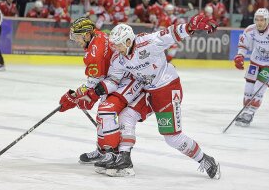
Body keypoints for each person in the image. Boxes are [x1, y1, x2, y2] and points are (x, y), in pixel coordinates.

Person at [74, 17, 221, 179]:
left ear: (129, 41)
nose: (115, 48)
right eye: (113, 44)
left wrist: (191, 26)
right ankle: (124, 159)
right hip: (148, 91)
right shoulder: (119, 57)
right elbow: (113, 80)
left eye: (118, 44)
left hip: (167, 89)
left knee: (172, 138)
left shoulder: (148, 42)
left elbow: (171, 33)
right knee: (126, 115)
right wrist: (97, 90)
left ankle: (205, 159)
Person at [58, 17, 143, 167]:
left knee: (105, 113)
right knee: (102, 116)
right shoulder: (100, 35)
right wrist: (80, 96)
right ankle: (103, 150)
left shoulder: (94, 54)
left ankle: (111, 153)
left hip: (122, 81)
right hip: (116, 77)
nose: (76, 40)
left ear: (87, 34)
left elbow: (94, 83)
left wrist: (75, 96)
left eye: (78, 36)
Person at [233, 8, 269, 126]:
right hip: (255, 61)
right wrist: (240, 56)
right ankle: (245, 110)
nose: (259, 22)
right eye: (257, 19)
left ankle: (250, 113)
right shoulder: (250, 30)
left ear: (267, 20)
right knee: (248, 89)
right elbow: (243, 45)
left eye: (262, 20)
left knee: (258, 89)